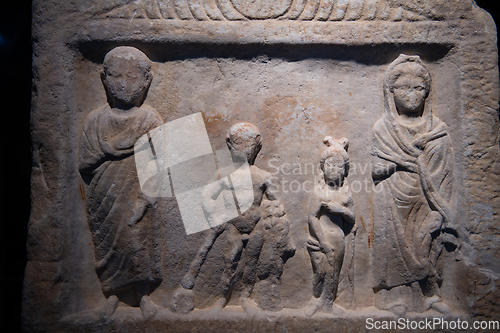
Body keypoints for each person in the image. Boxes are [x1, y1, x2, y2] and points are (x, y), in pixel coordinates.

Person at [79, 46, 163, 318]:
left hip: (138, 192)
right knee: (107, 245)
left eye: (133, 76)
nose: (124, 84)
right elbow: (85, 163)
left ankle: (143, 296)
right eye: (116, 76)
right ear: (104, 78)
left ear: (146, 80)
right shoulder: (95, 121)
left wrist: (147, 197)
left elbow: (160, 164)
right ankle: (112, 295)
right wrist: (109, 150)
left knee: (139, 241)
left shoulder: (150, 119)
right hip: (104, 194)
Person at [171, 123, 291, 314]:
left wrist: (276, 212)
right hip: (232, 226)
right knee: (230, 263)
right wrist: (214, 216)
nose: (243, 151)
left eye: (248, 146)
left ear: (257, 147)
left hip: (256, 226)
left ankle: (245, 298)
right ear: (230, 145)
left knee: (251, 264)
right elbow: (207, 196)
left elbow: (275, 201)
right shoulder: (224, 174)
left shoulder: (263, 176)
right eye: (239, 146)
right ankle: (222, 298)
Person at [371, 54, 457, 315]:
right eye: (404, 88)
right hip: (391, 197)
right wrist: (398, 164)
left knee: (427, 242)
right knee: (392, 246)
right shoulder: (382, 129)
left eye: (419, 88)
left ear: (427, 92)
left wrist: (438, 198)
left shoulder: (437, 130)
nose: (412, 94)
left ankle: (431, 295)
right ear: (391, 91)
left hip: (427, 197)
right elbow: (375, 170)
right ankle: (390, 298)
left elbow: (445, 171)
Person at [305, 137, 355, 316]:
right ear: (322, 168)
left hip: (339, 240)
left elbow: (352, 218)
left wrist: (340, 209)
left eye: (339, 166)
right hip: (321, 239)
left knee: (334, 273)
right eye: (330, 165)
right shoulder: (319, 192)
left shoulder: (345, 194)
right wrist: (321, 241)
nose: (334, 170)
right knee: (320, 272)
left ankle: (328, 303)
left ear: (345, 171)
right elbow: (312, 218)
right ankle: (315, 300)